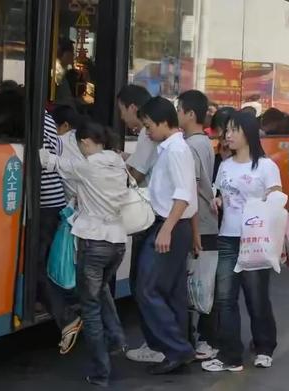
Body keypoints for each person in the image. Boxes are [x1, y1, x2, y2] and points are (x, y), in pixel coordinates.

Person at [40, 121, 128, 387]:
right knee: (101, 291)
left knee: (89, 309)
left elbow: (51, 162)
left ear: (87, 142)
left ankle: (101, 372)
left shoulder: (88, 166)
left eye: (80, 144)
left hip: (94, 244)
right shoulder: (118, 162)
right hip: (118, 243)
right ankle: (117, 339)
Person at [202, 111, 282, 372]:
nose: (228, 135)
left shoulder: (266, 166)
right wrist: (218, 201)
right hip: (227, 238)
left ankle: (264, 346)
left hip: (255, 240)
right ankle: (231, 355)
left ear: (247, 132)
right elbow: (223, 195)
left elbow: (277, 200)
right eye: (226, 131)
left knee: (256, 298)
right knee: (224, 299)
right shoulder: (225, 165)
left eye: (233, 130)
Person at [134, 96, 197, 374]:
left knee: (146, 289)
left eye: (148, 126)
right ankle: (177, 349)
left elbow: (184, 194)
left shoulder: (176, 151)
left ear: (162, 122)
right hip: (171, 225)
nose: (147, 132)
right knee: (171, 293)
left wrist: (166, 230)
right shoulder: (169, 149)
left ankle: (178, 349)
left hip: (169, 225)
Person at [116, 85, 167, 365]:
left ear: (133, 108)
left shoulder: (149, 136)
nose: (122, 118)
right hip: (156, 215)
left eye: (122, 111)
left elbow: (135, 174)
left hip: (149, 216)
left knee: (144, 284)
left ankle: (157, 344)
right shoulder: (157, 138)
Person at [176, 90, 219, 361]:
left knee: (200, 285)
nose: (176, 114)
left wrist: (192, 233)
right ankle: (202, 339)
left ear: (190, 114)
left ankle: (205, 340)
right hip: (206, 221)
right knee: (202, 284)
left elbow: (190, 191)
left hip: (200, 223)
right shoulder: (203, 142)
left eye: (179, 110)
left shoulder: (191, 146)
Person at [38, 111, 82, 354]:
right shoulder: (46, 116)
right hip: (52, 200)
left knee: (37, 265)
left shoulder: (34, 115)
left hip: (44, 203)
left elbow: (42, 157)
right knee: (44, 263)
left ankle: (67, 318)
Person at [51, 105, 85, 200]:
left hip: (71, 200)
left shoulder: (60, 141)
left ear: (65, 125)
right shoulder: (82, 138)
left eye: (53, 126)